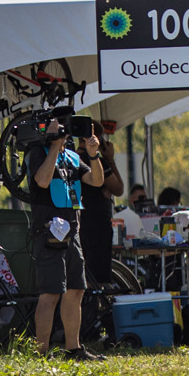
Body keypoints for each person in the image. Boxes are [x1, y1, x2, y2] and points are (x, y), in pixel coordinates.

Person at [27, 116, 104, 360]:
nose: (64, 133)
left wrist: (93, 153)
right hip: (48, 232)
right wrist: (52, 145)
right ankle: (41, 352)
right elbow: (42, 180)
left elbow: (96, 180)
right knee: (50, 293)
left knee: (75, 290)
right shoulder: (38, 153)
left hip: (72, 232)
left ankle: (74, 348)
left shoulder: (72, 156)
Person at [77, 118, 123, 286]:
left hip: (77, 221)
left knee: (79, 274)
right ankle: (97, 307)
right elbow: (118, 188)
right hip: (97, 224)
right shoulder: (99, 162)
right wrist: (109, 159)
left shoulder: (71, 159)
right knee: (99, 278)